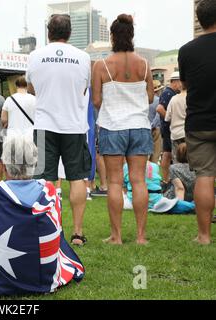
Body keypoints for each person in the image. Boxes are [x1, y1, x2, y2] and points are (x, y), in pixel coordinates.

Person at [0, 135, 84, 295]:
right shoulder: (49, 191)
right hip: (44, 277)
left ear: (4, 165)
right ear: (34, 163)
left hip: (2, 279)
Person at [27, 14, 92, 246]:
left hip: (45, 124)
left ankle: (48, 229)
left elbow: (32, 88)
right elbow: (84, 90)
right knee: (77, 177)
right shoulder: (84, 57)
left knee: (45, 180)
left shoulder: (35, 56)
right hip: (73, 125)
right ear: (70, 32)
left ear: (48, 32)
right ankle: (77, 233)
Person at [92, 14, 154, 245]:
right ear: (131, 35)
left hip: (112, 126)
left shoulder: (101, 65)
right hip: (139, 127)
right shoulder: (145, 63)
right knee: (138, 181)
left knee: (115, 182)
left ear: (112, 37)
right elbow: (149, 97)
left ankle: (116, 236)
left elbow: (96, 101)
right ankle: (140, 236)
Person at [178, 0, 216, 244]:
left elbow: (185, 85)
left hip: (199, 121)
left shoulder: (186, 51)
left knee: (204, 175)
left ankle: (203, 236)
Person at [123, 160, 195, 215]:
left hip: (133, 200)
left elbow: (124, 187)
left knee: (117, 197)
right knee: (180, 205)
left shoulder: (126, 166)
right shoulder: (154, 166)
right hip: (155, 200)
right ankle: (197, 205)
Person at [157, 72, 182, 182]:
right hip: (168, 128)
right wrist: (171, 119)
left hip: (168, 128)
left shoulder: (170, 93)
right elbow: (159, 108)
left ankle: (166, 179)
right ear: (175, 82)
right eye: (180, 82)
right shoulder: (168, 93)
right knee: (168, 154)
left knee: (167, 153)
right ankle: (166, 179)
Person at [165, 86, 187, 163]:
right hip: (188, 133)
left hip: (175, 134)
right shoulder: (191, 98)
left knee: (177, 160)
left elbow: (167, 118)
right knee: (191, 160)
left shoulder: (173, 99)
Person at [149, 80, 165, 164]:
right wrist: (153, 125)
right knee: (155, 154)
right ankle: (152, 174)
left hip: (144, 128)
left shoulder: (145, 100)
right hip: (155, 129)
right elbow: (158, 115)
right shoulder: (158, 100)